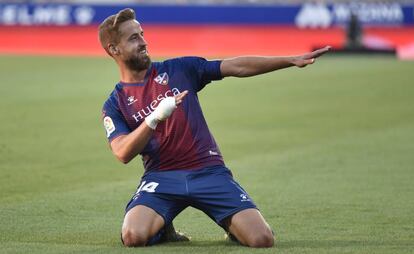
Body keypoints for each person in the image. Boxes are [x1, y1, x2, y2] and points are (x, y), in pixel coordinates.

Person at [99, 8, 330, 248]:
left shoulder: (179, 69)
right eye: (134, 38)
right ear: (114, 49)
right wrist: (154, 118)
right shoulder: (115, 103)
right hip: (161, 179)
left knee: (261, 239)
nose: (144, 42)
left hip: (208, 172)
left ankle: (233, 228)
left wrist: (290, 60)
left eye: (142, 34)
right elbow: (122, 152)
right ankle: (164, 228)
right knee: (133, 236)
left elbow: (235, 67)